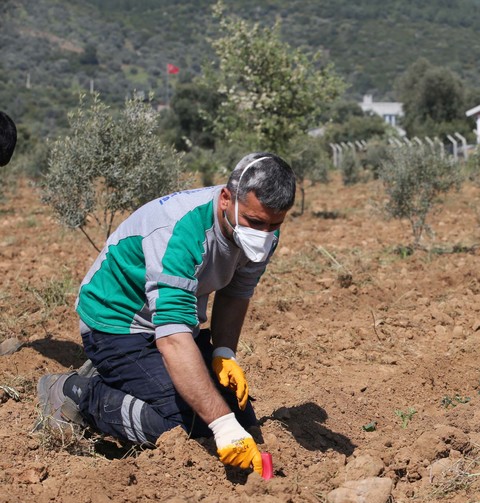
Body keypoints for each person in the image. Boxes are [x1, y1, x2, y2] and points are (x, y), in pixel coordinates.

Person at [35, 152, 296, 476]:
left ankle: (125, 379)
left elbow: (236, 292)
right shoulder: (179, 229)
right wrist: (222, 425)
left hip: (173, 322)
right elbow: (172, 339)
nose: (264, 233)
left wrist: (223, 353)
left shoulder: (264, 232)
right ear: (226, 199)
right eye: (255, 222)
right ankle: (77, 393)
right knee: (185, 426)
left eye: (275, 224)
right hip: (118, 322)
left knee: (243, 421)